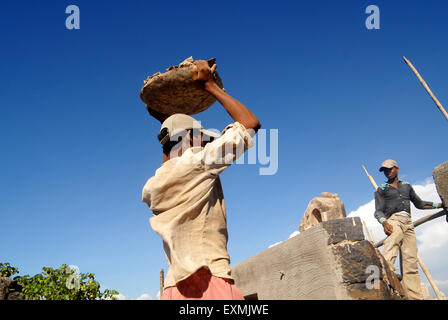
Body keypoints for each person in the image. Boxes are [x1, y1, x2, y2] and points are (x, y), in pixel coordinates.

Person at [142, 60, 261, 300]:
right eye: (201, 139)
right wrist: (211, 87)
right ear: (189, 140)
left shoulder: (153, 187)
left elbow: (171, 146)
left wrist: (168, 115)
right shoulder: (198, 164)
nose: (205, 144)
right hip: (209, 283)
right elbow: (249, 125)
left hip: (174, 289)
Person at [374, 159, 443, 300]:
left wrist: (441, 204)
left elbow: (420, 203)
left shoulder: (406, 186)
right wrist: (384, 222)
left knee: (410, 261)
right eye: (385, 170)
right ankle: (381, 276)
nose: (387, 172)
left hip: (408, 223)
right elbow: (378, 211)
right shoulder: (382, 189)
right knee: (393, 241)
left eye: (390, 169)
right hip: (394, 220)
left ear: (397, 169)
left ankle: (415, 297)